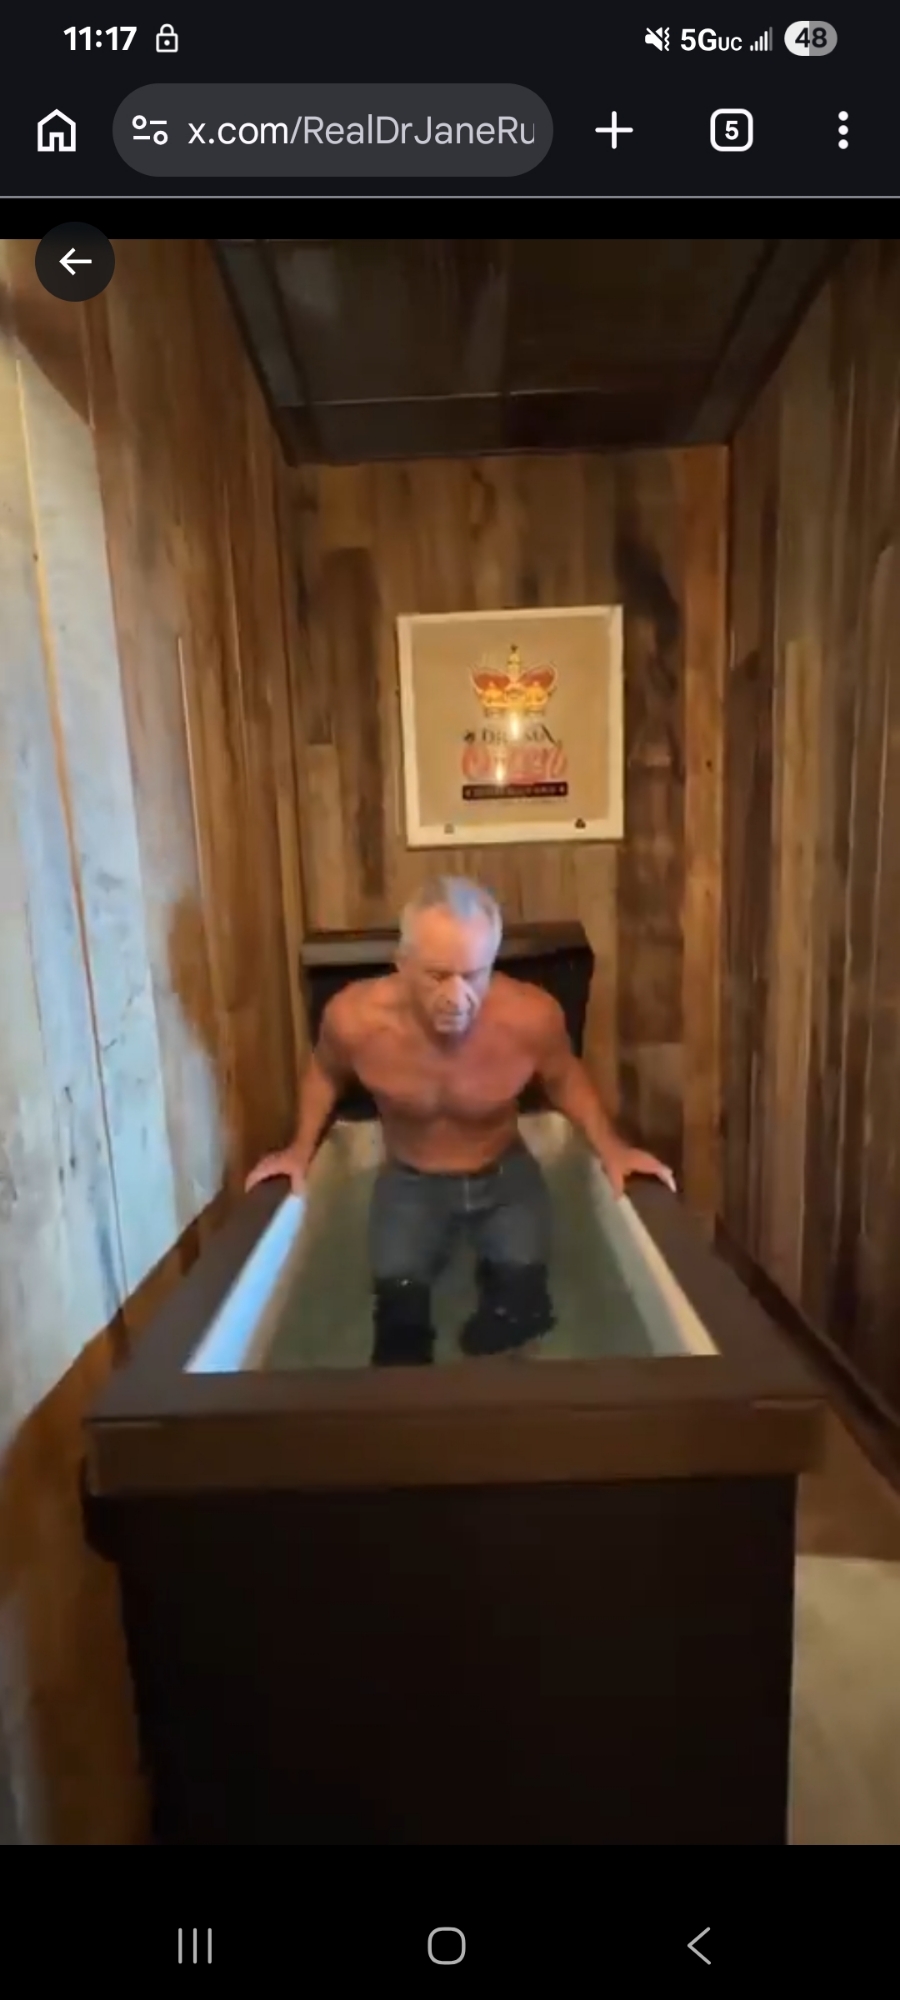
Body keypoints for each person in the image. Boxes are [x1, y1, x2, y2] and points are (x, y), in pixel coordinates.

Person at [246, 878, 675, 1366]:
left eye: (473, 975)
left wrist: (613, 1148)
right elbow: (325, 1073)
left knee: (519, 1311)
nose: (456, 996)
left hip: (506, 1179)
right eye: (437, 975)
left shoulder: (531, 1017)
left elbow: (564, 1079)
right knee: (399, 1324)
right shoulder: (354, 1019)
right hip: (408, 1182)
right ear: (402, 962)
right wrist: (298, 1150)